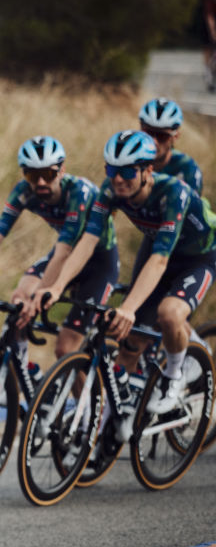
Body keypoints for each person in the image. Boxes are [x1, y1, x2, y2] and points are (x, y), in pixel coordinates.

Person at [33, 130, 216, 442]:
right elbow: (88, 241)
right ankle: (116, 425)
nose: (118, 180)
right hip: (159, 250)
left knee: (169, 313)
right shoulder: (110, 192)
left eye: (127, 171)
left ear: (148, 171)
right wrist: (57, 285)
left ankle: (173, 378)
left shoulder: (175, 193)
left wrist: (130, 307)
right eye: (111, 170)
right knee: (128, 341)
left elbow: (159, 261)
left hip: (197, 258)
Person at [0, 136, 119, 363]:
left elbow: (64, 252)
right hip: (62, 254)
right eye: (32, 175)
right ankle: (24, 370)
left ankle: (84, 396)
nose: (40, 183)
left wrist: (38, 297)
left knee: (65, 349)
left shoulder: (79, 193)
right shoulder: (24, 192)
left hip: (99, 263)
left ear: (62, 170)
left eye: (48, 174)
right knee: (19, 304)